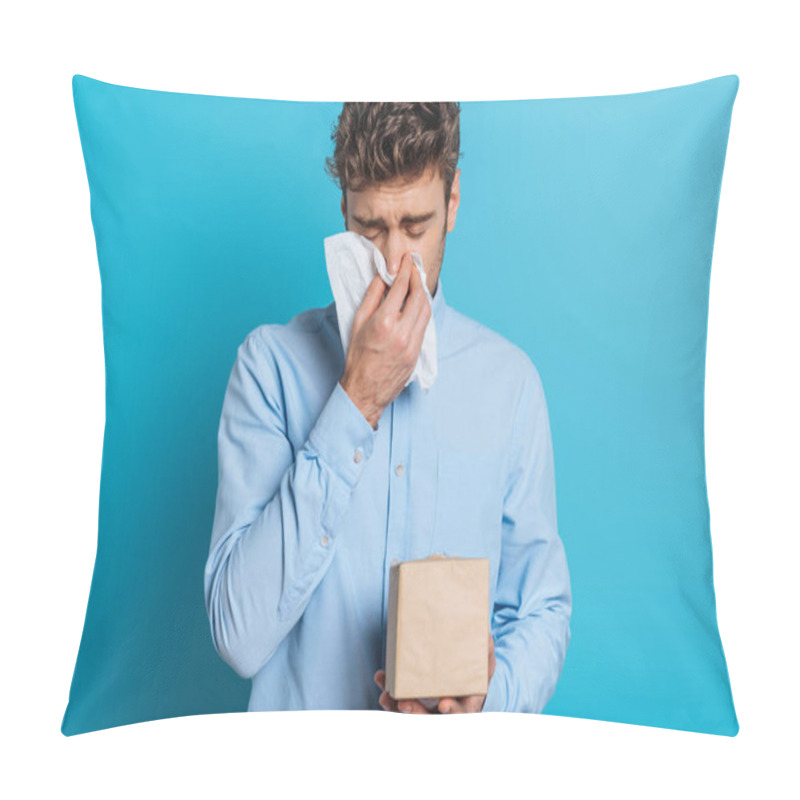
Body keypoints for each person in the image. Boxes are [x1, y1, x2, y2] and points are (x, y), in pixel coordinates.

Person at [204, 102, 571, 714]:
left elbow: (540, 610)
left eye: (416, 226)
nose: (394, 260)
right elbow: (238, 636)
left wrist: (490, 698)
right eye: (369, 228)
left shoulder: (510, 384)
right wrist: (356, 398)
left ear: (452, 202)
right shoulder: (269, 369)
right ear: (343, 208)